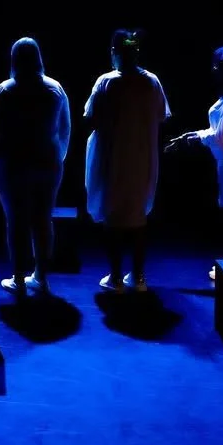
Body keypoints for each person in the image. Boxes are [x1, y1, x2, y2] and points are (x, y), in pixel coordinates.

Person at [0, 37, 71, 295]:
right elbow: (65, 127)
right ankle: (41, 276)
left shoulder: (3, 91)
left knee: (16, 221)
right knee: (43, 220)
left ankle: (19, 278)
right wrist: (59, 155)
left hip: (13, 164)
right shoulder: (55, 89)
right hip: (48, 162)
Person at [84, 30, 171, 293]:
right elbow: (161, 116)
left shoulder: (106, 82)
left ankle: (115, 276)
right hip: (143, 160)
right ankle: (138, 276)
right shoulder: (152, 81)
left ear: (114, 52)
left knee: (113, 217)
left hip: (112, 159)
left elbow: (90, 116)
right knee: (138, 217)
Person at [168, 46, 223, 280]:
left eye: (219, 66)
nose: (214, 70)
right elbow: (218, 131)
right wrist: (192, 136)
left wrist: (195, 138)